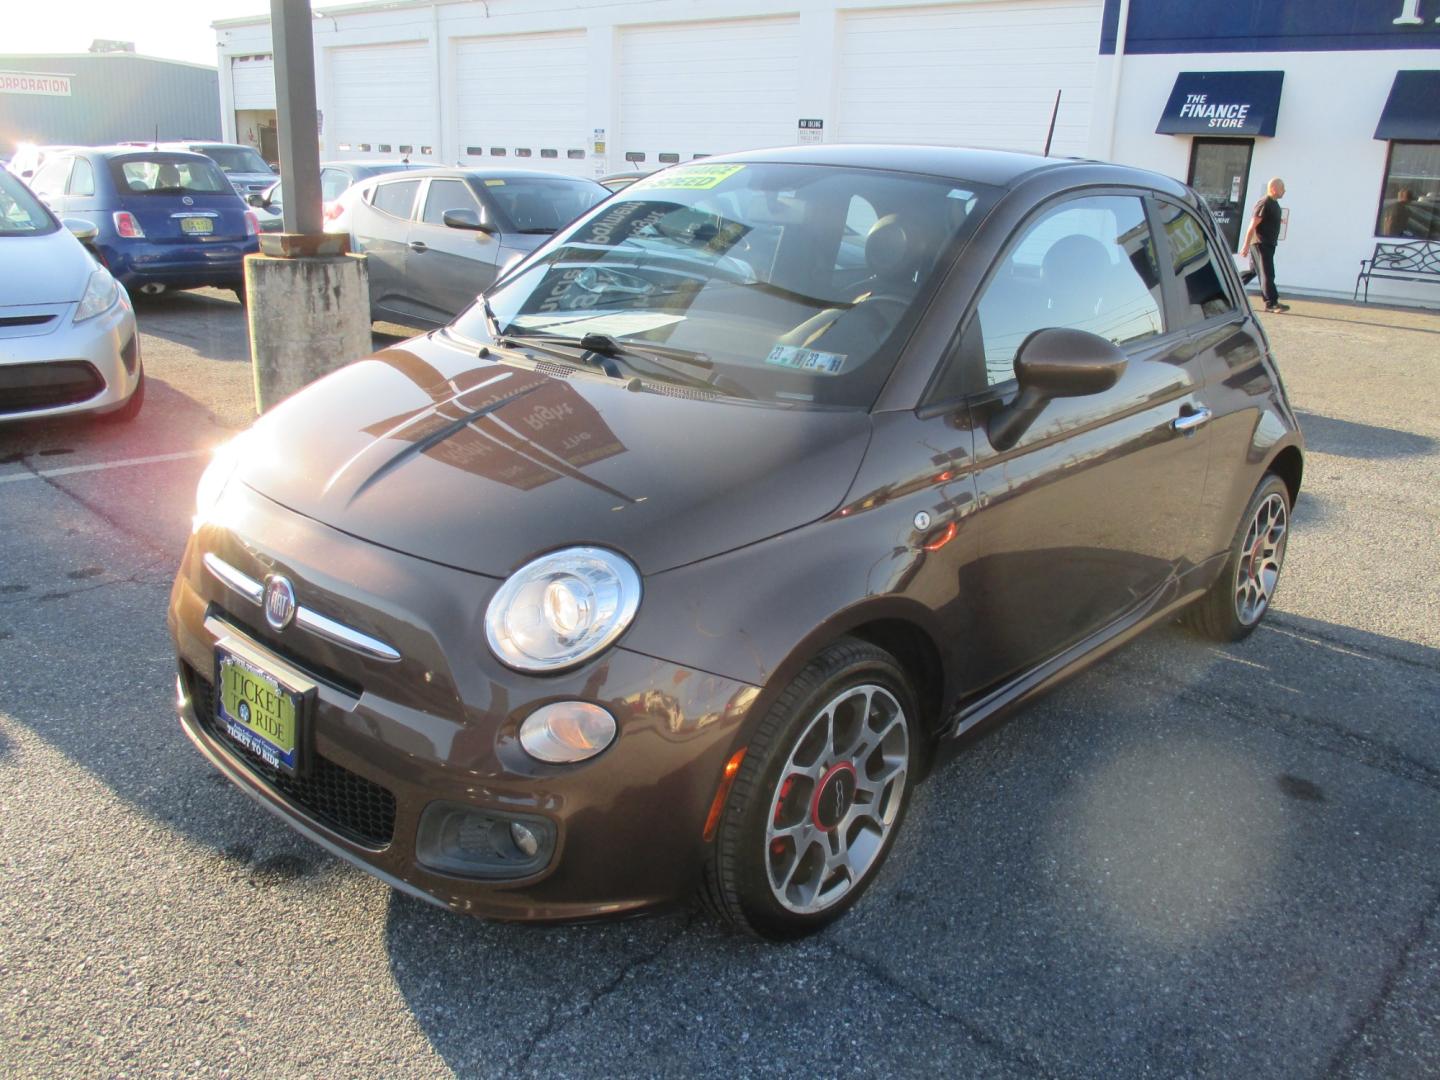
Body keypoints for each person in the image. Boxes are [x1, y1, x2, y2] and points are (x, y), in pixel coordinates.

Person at [1241, 178, 1288, 313]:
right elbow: (1252, 226)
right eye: (1282, 188)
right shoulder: (1264, 202)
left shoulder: (1274, 204)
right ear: (1273, 188)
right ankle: (1271, 303)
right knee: (1267, 273)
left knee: (1252, 271)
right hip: (1261, 244)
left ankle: (1226, 288)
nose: (1284, 190)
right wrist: (1245, 246)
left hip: (1268, 244)